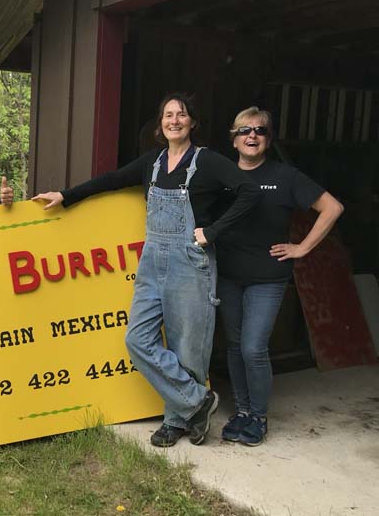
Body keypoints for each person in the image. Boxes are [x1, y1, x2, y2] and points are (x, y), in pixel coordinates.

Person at [33, 93, 261, 447]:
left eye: (181, 115)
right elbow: (111, 179)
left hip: (191, 261)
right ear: (160, 123)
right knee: (137, 339)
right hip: (152, 261)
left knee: (188, 347)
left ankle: (176, 421)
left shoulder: (207, 161)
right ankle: (197, 401)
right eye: (168, 115)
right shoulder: (151, 162)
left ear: (192, 122)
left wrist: (213, 231)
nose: (174, 120)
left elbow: (250, 191)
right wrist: (66, 195)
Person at [215, 107, 343, 446]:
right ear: (234, 140)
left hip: (267, 278)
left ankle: (258, 417)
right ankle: (242, 411)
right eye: (244, 130)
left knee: (253, 348)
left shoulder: (285, 176)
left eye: (260, 130)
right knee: (234, 346)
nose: (252, 136)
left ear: (268, 140)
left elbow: (332, 207)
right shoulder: (221, 174)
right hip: (227, 276)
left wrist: (302, 247)